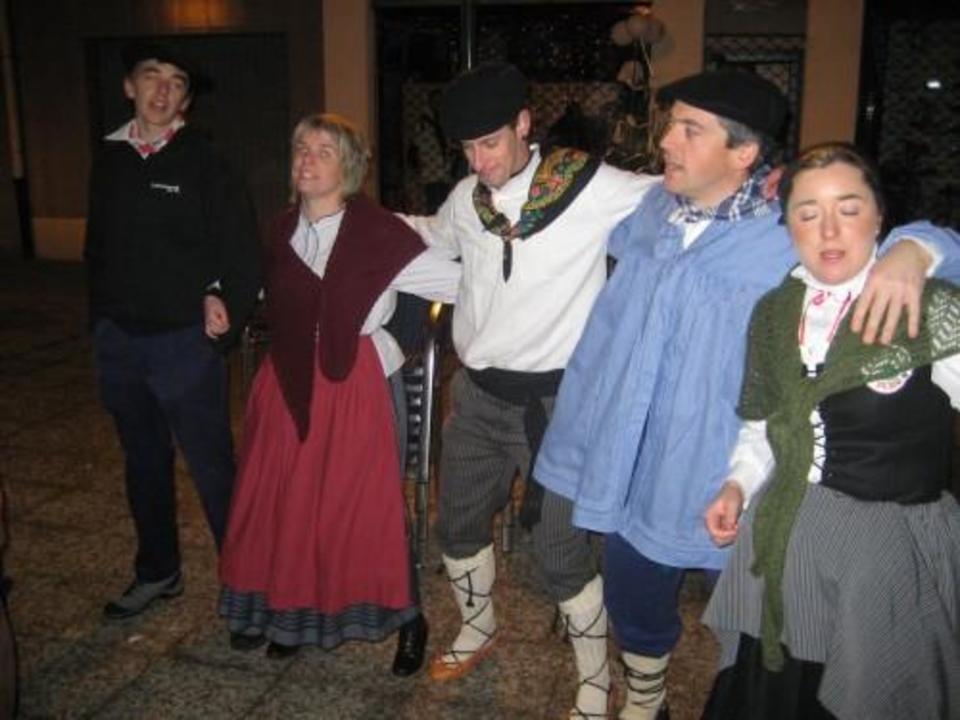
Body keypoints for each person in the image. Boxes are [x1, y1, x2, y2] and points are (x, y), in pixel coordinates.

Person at [534, 70, 960, 720]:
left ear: (745, 152)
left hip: (732, 469)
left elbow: (872, 237)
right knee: (633, 589)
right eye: (671, 124)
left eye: (689, 129)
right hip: (634, 456)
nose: (666, 140)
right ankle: (646, 696)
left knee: (762, 624)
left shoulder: (786, 231)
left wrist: (916, 248)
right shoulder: (651, 210)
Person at [402, 61, 659, 719]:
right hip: (478, 396)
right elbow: (432, 234)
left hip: (558, 406)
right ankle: (480, 626)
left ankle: (595, 679)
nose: (480, 162)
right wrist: (358, 222)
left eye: (490, 143)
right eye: (467, 148)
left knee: (560, 550)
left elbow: (678, 198)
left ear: (523, 124)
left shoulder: (588, 185)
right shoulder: (468, 200)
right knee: (457, 524)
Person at [700, 142, 960, 720]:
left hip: (884, 554)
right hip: (786, 538)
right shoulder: (775, 312)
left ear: (880, 217)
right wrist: (737, 485)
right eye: (808, 213)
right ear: (789, 226)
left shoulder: (929, 307)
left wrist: (927, 250)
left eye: (849, 208)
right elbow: (764, 423)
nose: (829, 230)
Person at [218, 113, 460, 675]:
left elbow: (461, 284)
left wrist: (391, 345)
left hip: (352, 385)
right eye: (301, 148)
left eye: (323, 151)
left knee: (364, 507)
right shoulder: (280, 230)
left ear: (348, 168)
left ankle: (409, 619)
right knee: (286, 503)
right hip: (285, 383)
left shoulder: (378, 233)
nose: (307, 158)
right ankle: (290, 614)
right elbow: (256, 288)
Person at [84, 40, 260, 620]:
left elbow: (240, 250)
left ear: (186, 99)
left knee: (213, 466)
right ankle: (158, 570)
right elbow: (97, 246)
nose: (162, 90)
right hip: (119, 340)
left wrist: (223, 310)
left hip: (183, 341)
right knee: (142, 461)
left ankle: (246, 585)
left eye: (176, 82)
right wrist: (99, 322)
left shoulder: (205, 160)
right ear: (129, 87)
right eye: (151, 76)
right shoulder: (109, 156)